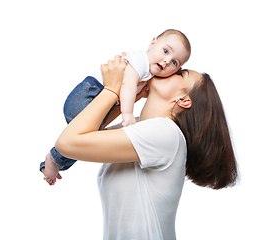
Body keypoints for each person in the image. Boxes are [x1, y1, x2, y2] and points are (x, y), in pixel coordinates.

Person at [46, 54, 238, 239]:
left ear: (184, 100)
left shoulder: (165, 133)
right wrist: (129, 96)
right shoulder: (142, 128)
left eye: (180, 73)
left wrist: (112, 90)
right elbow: (86, 132)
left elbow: (67, 143)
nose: (171, 69)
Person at [40, 29, 191, 184]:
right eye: (165, 51)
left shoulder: (149, 72)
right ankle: (53, 159)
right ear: (153, 43)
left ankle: (54, 161)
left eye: (174, 62)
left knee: (89, 141)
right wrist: (127, 114)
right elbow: (128, 84)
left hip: (97, 99)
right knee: (88, 140)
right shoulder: (141, 60)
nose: (166, 61)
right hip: (88, 94)